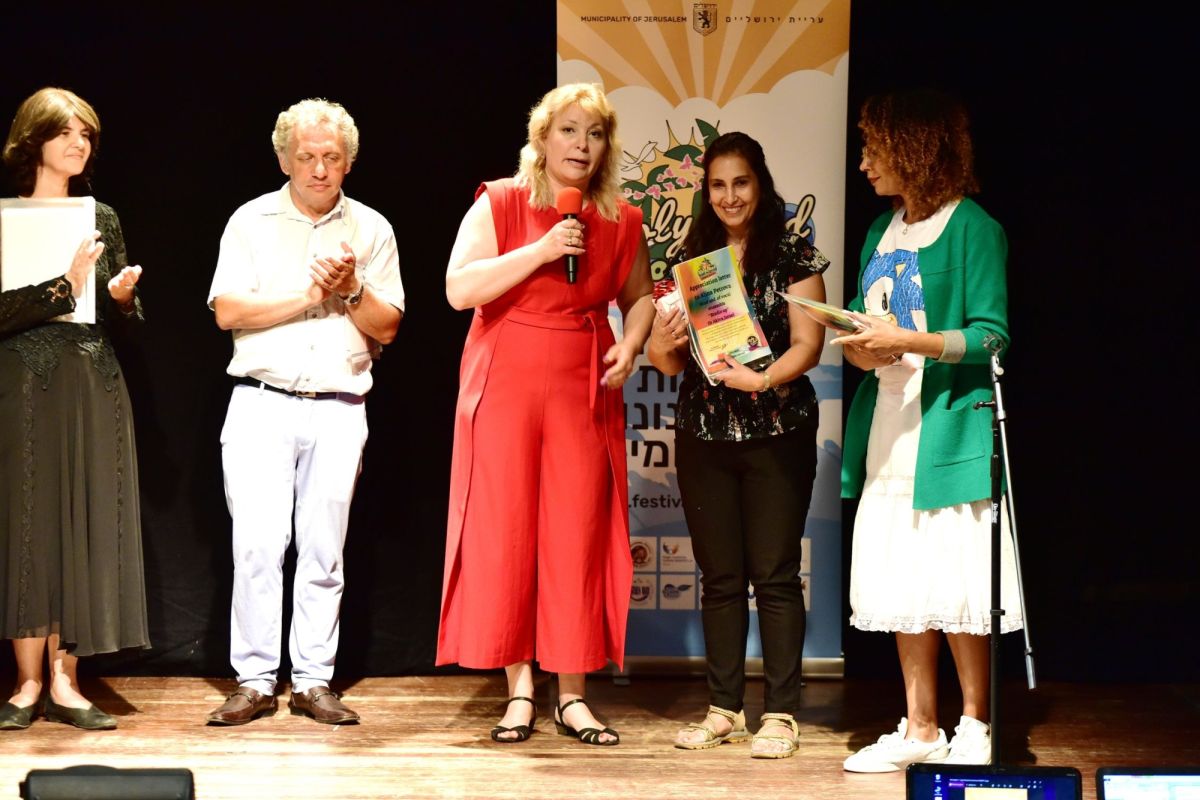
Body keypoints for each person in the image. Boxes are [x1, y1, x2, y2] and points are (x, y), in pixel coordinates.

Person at [436, 83, 653, 746]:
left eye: (594, 134)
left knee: (575, 532)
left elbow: (641, 297)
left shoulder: (623, 219)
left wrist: (632, 346)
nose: (581, 145)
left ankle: (574, 694)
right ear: (542, 138)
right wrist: (541, 249)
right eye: (569, 130)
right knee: (507, 530)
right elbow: (458, 289)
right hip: (504, 379)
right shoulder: (502, 201)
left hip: (582, 383)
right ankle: (520, 691)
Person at [836, 88, 1022, 772]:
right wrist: (860, 346)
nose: (864, 163)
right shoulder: (880, 233)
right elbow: (861, 319)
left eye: (873, 148)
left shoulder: (973, 227)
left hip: (946, 429)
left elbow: (992, 336)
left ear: (912, 149)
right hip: (889, 422)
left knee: (953, 575)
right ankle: (920, 728)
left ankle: (975, 723)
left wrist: (908, 340)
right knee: (903, 578)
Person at [204, 98, 404, 726]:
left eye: (331, 157)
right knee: (258, 546)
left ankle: (314, 680)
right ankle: (255, 680)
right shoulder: (251, 221)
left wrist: (350, 289)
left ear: (348, 162)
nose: (319, 169)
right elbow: (228, 311)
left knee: (324, 550)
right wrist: (310, 294)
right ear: (284, 159)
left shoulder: (371, 228)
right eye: (307, 156)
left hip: (339, 404)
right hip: (262, 402)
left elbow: (388, 327)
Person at [646, 131, 828, 759]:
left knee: (774, 575)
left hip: (778, 430)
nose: (730, 196)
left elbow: (809, 345)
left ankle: (780, 713)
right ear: (706, 190)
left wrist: (763, 379)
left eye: (741, 183)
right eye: (718, 185)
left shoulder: (794, 252)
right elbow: (667, 363)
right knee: (719, 578)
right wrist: (663, 338)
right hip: (704, 432)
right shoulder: (689, 257)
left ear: (760, 184)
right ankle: (724, 709)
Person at [0, 87, 148, 731]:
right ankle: (27, 682)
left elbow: (126, 323)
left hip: (91, 382)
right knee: (28, 521)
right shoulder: (6, 218)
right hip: (21, 384)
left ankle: (66, 681)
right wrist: (64, 286)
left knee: (81, 521)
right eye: (66, 133)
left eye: (86, 135)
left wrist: (120, 297)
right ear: (34, 139)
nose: (79, 144)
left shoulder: (100, 216)